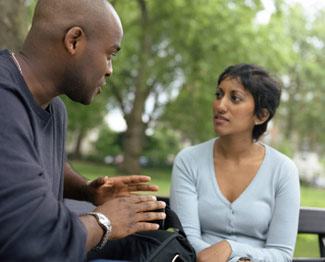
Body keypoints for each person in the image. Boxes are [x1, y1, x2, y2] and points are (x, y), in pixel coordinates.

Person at [0, 0, 166, 261]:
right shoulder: (4, 102)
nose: (110, 70)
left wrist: (86, 190)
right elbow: (35, 241)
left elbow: (38, 162)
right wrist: (104, 222)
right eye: (110, 54)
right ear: (74, 41)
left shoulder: (55, 109)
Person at [170, 64, 300, 262]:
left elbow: (281, 254)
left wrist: (231, 249)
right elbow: (187, 240)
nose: (220, 105)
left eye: (235, 98)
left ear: (261, 115)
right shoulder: (188, 161)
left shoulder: (283, 170)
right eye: (219, 94)